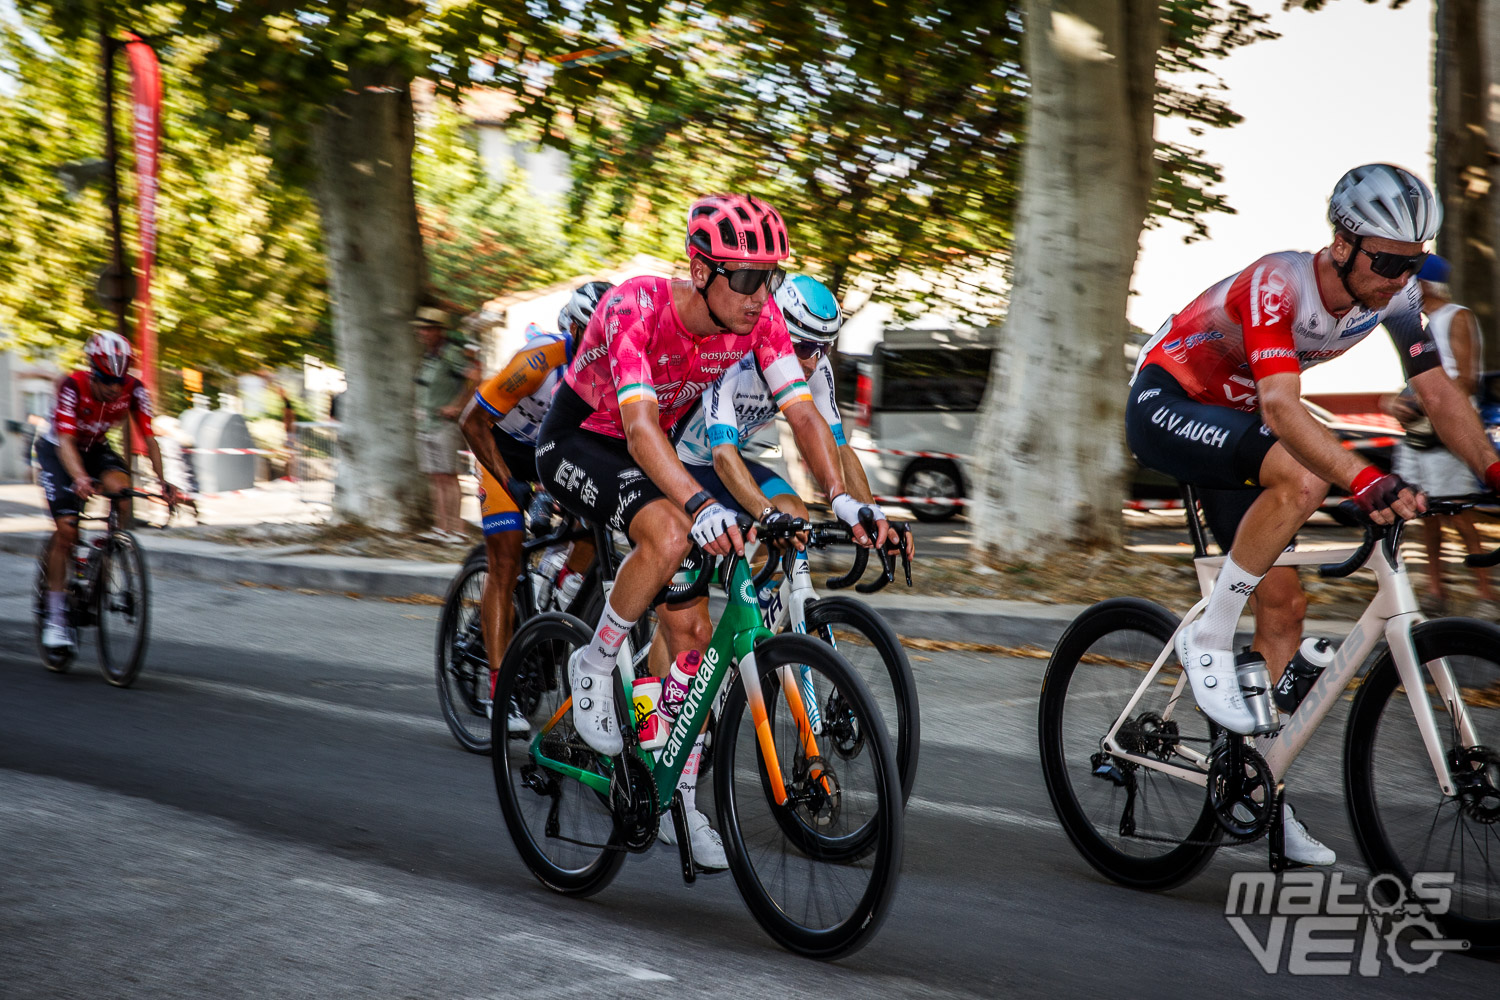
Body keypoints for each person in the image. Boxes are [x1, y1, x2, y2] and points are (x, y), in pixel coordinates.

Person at [1126, 163, 1500, 866]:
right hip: (1169, 401)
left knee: (1286, 607)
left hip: (1239, 428)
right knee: (1302, 476)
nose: (1401, 278)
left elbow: (1440, 394)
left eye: (1413, 263)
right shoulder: (1280, 283)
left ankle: (1252, 784)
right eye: (1387, 262)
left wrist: (1493, 472)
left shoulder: (1396, 298)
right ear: (1343, 244)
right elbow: (1280, 407)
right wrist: (1366, 479)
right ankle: (1208, 636)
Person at [534, 194, 894, 868]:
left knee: (695, 641)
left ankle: (678, 798)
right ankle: (595, 661)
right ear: (701, 271)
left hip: (657, 455)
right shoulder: (637, 307)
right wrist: (702, 506)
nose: (761, 296)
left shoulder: (760, 322)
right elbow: (639, 430)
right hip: (583, 442)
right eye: (748, 278)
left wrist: (845, 502)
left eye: (770, 278)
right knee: (672, 533)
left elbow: (804, 415)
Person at [675, 273, 915, 561]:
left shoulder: (817, 368)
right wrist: (768, 515)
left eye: (823, 349)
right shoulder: (734, 358)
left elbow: (838, 446)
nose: (812, 363)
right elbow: (723, 456)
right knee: (680, 552)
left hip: (725, 465)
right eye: (802, 347)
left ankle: (758, 588)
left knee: (794, 518)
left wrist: (872, 515)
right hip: (680, 466)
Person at [457, 285, 611, 734]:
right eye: (597, 335)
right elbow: (471, 421)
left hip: (551, 453)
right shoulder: (540, 361)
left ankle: (560, 591)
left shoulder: (613, 372)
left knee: (596, 523)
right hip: (500, 449)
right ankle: (498, 688)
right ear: (575, 329)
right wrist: (510, 481)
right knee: (506, 560)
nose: (606, 346)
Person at [33, 331, 181, 651]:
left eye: (120, 380)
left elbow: (150, 438)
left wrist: (163, 481)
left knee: (122, 491)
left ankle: (109, 550)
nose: (115, 388)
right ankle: (56, 617)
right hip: (59, 449)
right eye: (106, 380)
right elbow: (66, 442)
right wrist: (80, 478)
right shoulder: (72, 386)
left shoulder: (134, 389)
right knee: (67, 529)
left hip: (96, 447)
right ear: (92, 372)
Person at [1382, 255, 1494, 616]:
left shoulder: (1456, 316)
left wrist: (1421, 402)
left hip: (1450, 428)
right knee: (1424, 510)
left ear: (1424, 283)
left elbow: (1467, 379)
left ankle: (1485, 593)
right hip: (1420, 430)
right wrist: (1397, 402)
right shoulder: (1416, 322)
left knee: (1459, 511)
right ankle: (1436, 589)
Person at [413, 306, 479, 544]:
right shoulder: (430, 355)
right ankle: (441, 529)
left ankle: (458, 532)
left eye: (427, 329)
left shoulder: (451, 353)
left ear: (438, 331)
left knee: (449, 477)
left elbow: (474, 376)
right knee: (437, 477)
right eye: (421, 329)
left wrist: (457, 406)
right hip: (427, 425)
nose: (423, 333)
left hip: (444, 426)